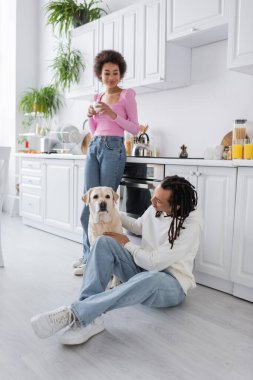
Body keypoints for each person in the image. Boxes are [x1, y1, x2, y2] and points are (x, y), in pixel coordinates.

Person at [31, 175, 203, 346]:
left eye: (158, 200)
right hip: (142, 269)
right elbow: (137, 226)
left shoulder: (190, 225)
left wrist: (127, 244)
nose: (152, 201)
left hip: (171, 284)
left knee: (152, 276)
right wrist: (111, 210)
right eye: (154, 195)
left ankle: (74, 313)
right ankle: (90, 318)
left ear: (177, 206)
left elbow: (155, 263)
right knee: (103, 241)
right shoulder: (155, 208)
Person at [73, 49, 140, 276]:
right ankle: (88, 256)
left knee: (107, 207)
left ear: (120, 75)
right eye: (106, 73)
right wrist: (91, 115)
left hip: (114, 148)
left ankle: (106, 259)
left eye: (115, 73)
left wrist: (113, 115)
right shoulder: (97, 97)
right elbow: (93, 129)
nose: (111, 77)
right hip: (95, 147)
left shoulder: (126, 95)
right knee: (88, 206)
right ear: (99, 75)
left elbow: (134, 128)